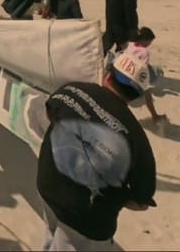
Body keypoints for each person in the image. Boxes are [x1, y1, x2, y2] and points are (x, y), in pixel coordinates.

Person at [36, 47, 156, 250]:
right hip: (85, 219)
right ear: (136, 96)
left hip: (47, 185)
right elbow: (142, 202)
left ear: (108, 75)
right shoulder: (138, 140)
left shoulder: (72, 90)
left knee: (52, 230)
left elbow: (49, 112)